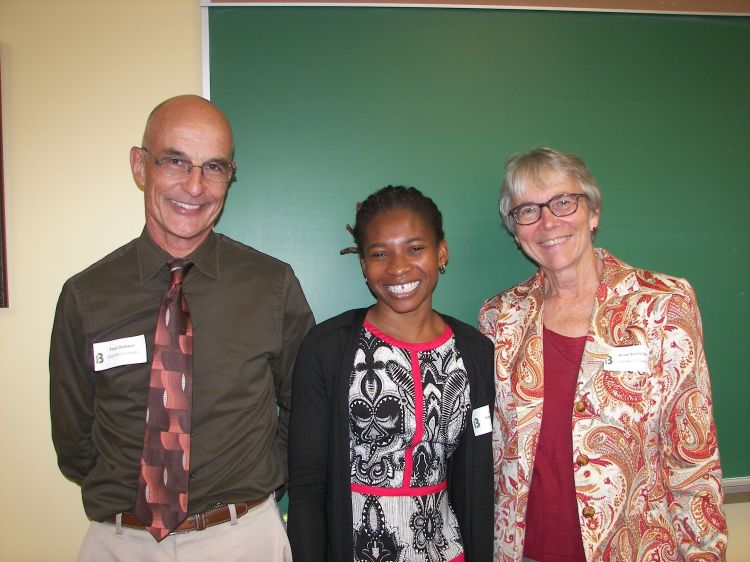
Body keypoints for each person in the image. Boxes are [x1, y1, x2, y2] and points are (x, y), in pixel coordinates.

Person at [50, 95, 314, 561]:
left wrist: (258, 483)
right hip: (121, 544)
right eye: (175, 161)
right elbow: (74, 438)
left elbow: (306, 404)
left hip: (243, 539)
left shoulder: (271, 286)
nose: (195, 186)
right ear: (139, 166)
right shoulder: (86, 297)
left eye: (214, 167)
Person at [479, 147, 728, 561]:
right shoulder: (498, 316)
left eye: (563, 201)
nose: (547, 222)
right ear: (516, 229)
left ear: (593, 212)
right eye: (528, 210)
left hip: (634, 545)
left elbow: (692, 451)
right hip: (523, 551)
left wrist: (705, 552)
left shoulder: (662, 305)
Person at [287, 186, 494, 561]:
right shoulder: (327, 349)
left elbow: (476, 481)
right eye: (380, 254)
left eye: (415, 248)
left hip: (447, 551)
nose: (398, 267)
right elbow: (306, 487)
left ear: (441, 253)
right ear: (364, 265)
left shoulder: (476, 352)